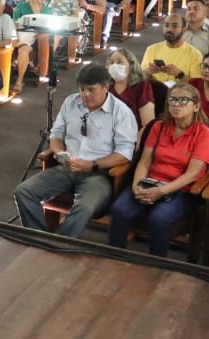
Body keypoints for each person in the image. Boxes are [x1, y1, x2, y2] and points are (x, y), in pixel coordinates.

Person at [16, 64, 140, 238]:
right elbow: (56, 134)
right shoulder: (71, 102)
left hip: (98, 173)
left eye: (91, 90)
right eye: (82, 89)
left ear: (106, 87)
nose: (85, 95)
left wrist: (92, 164)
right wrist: (59, 152)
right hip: (67, 167)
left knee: (84, 207)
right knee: (24, 191)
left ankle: (60, 243)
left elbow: (124, 153)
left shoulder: (121, 113)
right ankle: (39, 238)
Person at [107, 83, 209, 257]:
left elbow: (192, 174)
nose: (176, 105)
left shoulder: (204, 134)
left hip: (180, 190)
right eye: (172, 100)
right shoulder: (159, 126)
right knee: (119, 210)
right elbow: (144, 162)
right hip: (150, 182)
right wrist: (137, 186)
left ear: (196, 106)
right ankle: (114, 257)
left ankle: (156, 265)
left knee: (159, 219)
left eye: (183, 100)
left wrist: (162, 191)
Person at [106, 49, 156, 128]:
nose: (114, 66)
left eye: (119, 62)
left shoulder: (141, 86)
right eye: (111, 63)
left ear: (131, 65)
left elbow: (148, 125)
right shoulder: (106, 88)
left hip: (134, 135)